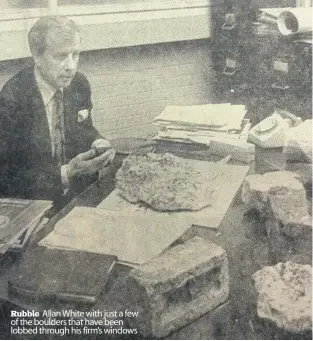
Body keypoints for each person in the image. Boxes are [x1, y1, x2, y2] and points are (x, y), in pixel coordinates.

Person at [0, 16, 115, 207]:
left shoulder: (79, 84)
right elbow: (7, 177)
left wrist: (98, 142)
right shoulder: (13, 98)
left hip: (76, 195)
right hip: (34, 203)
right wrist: (66, 174)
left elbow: (84, 129)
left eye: (75, 54)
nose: (71, 66)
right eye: (61, 56)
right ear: (36, 56)